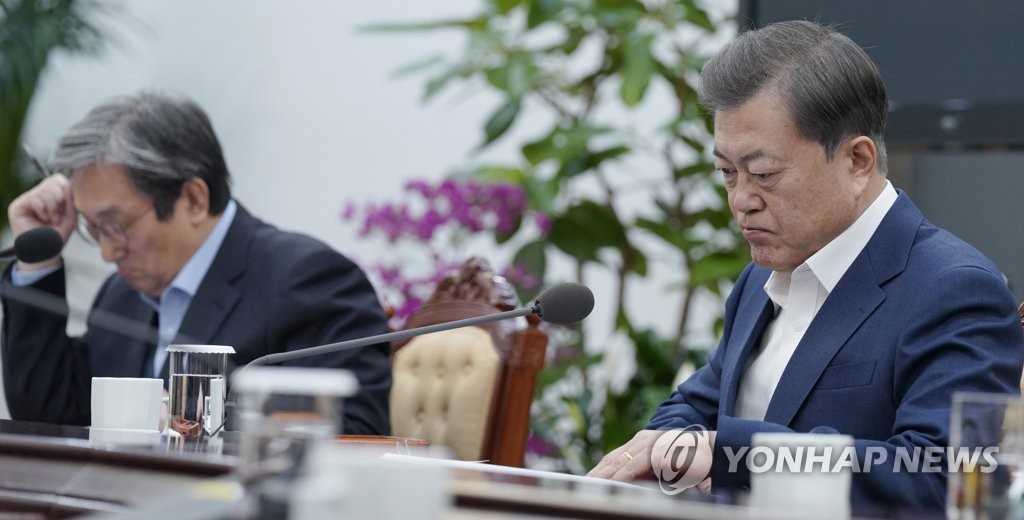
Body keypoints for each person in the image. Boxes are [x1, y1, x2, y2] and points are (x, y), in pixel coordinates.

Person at [588, 20, 1024, 508]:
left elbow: (947, 477)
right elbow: (695, 407)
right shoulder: (758, 280)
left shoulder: (955, 290)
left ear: (857, 161)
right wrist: (669, 447)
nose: (741, 200)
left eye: (764, 174)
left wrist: (737, 458)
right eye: (727, 173)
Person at [1, 92, 392, 435]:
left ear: (193, 199)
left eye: (117, 226)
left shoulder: (307, 279)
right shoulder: (121, 294)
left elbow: (353, 432)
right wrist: (38, 262)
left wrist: (186, 423)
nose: (108, 252)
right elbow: (51, 418)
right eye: (93, 228)